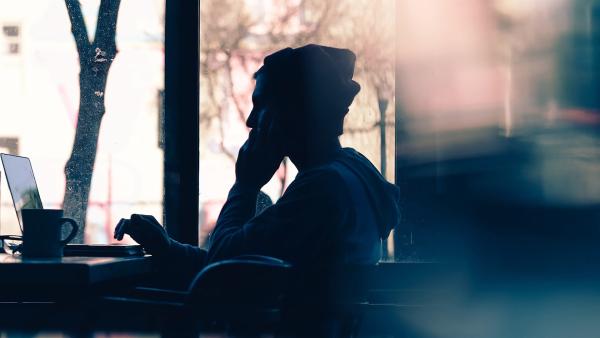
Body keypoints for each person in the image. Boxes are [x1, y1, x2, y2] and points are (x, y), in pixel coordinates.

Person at [114, 44, 400, 280]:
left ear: (295, 110)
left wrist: (246, 185)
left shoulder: (322, 188)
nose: (252, 120)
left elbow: (222, 267)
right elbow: (243, 257)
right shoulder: (349, 172)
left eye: (261, 104)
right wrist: (168, 248)